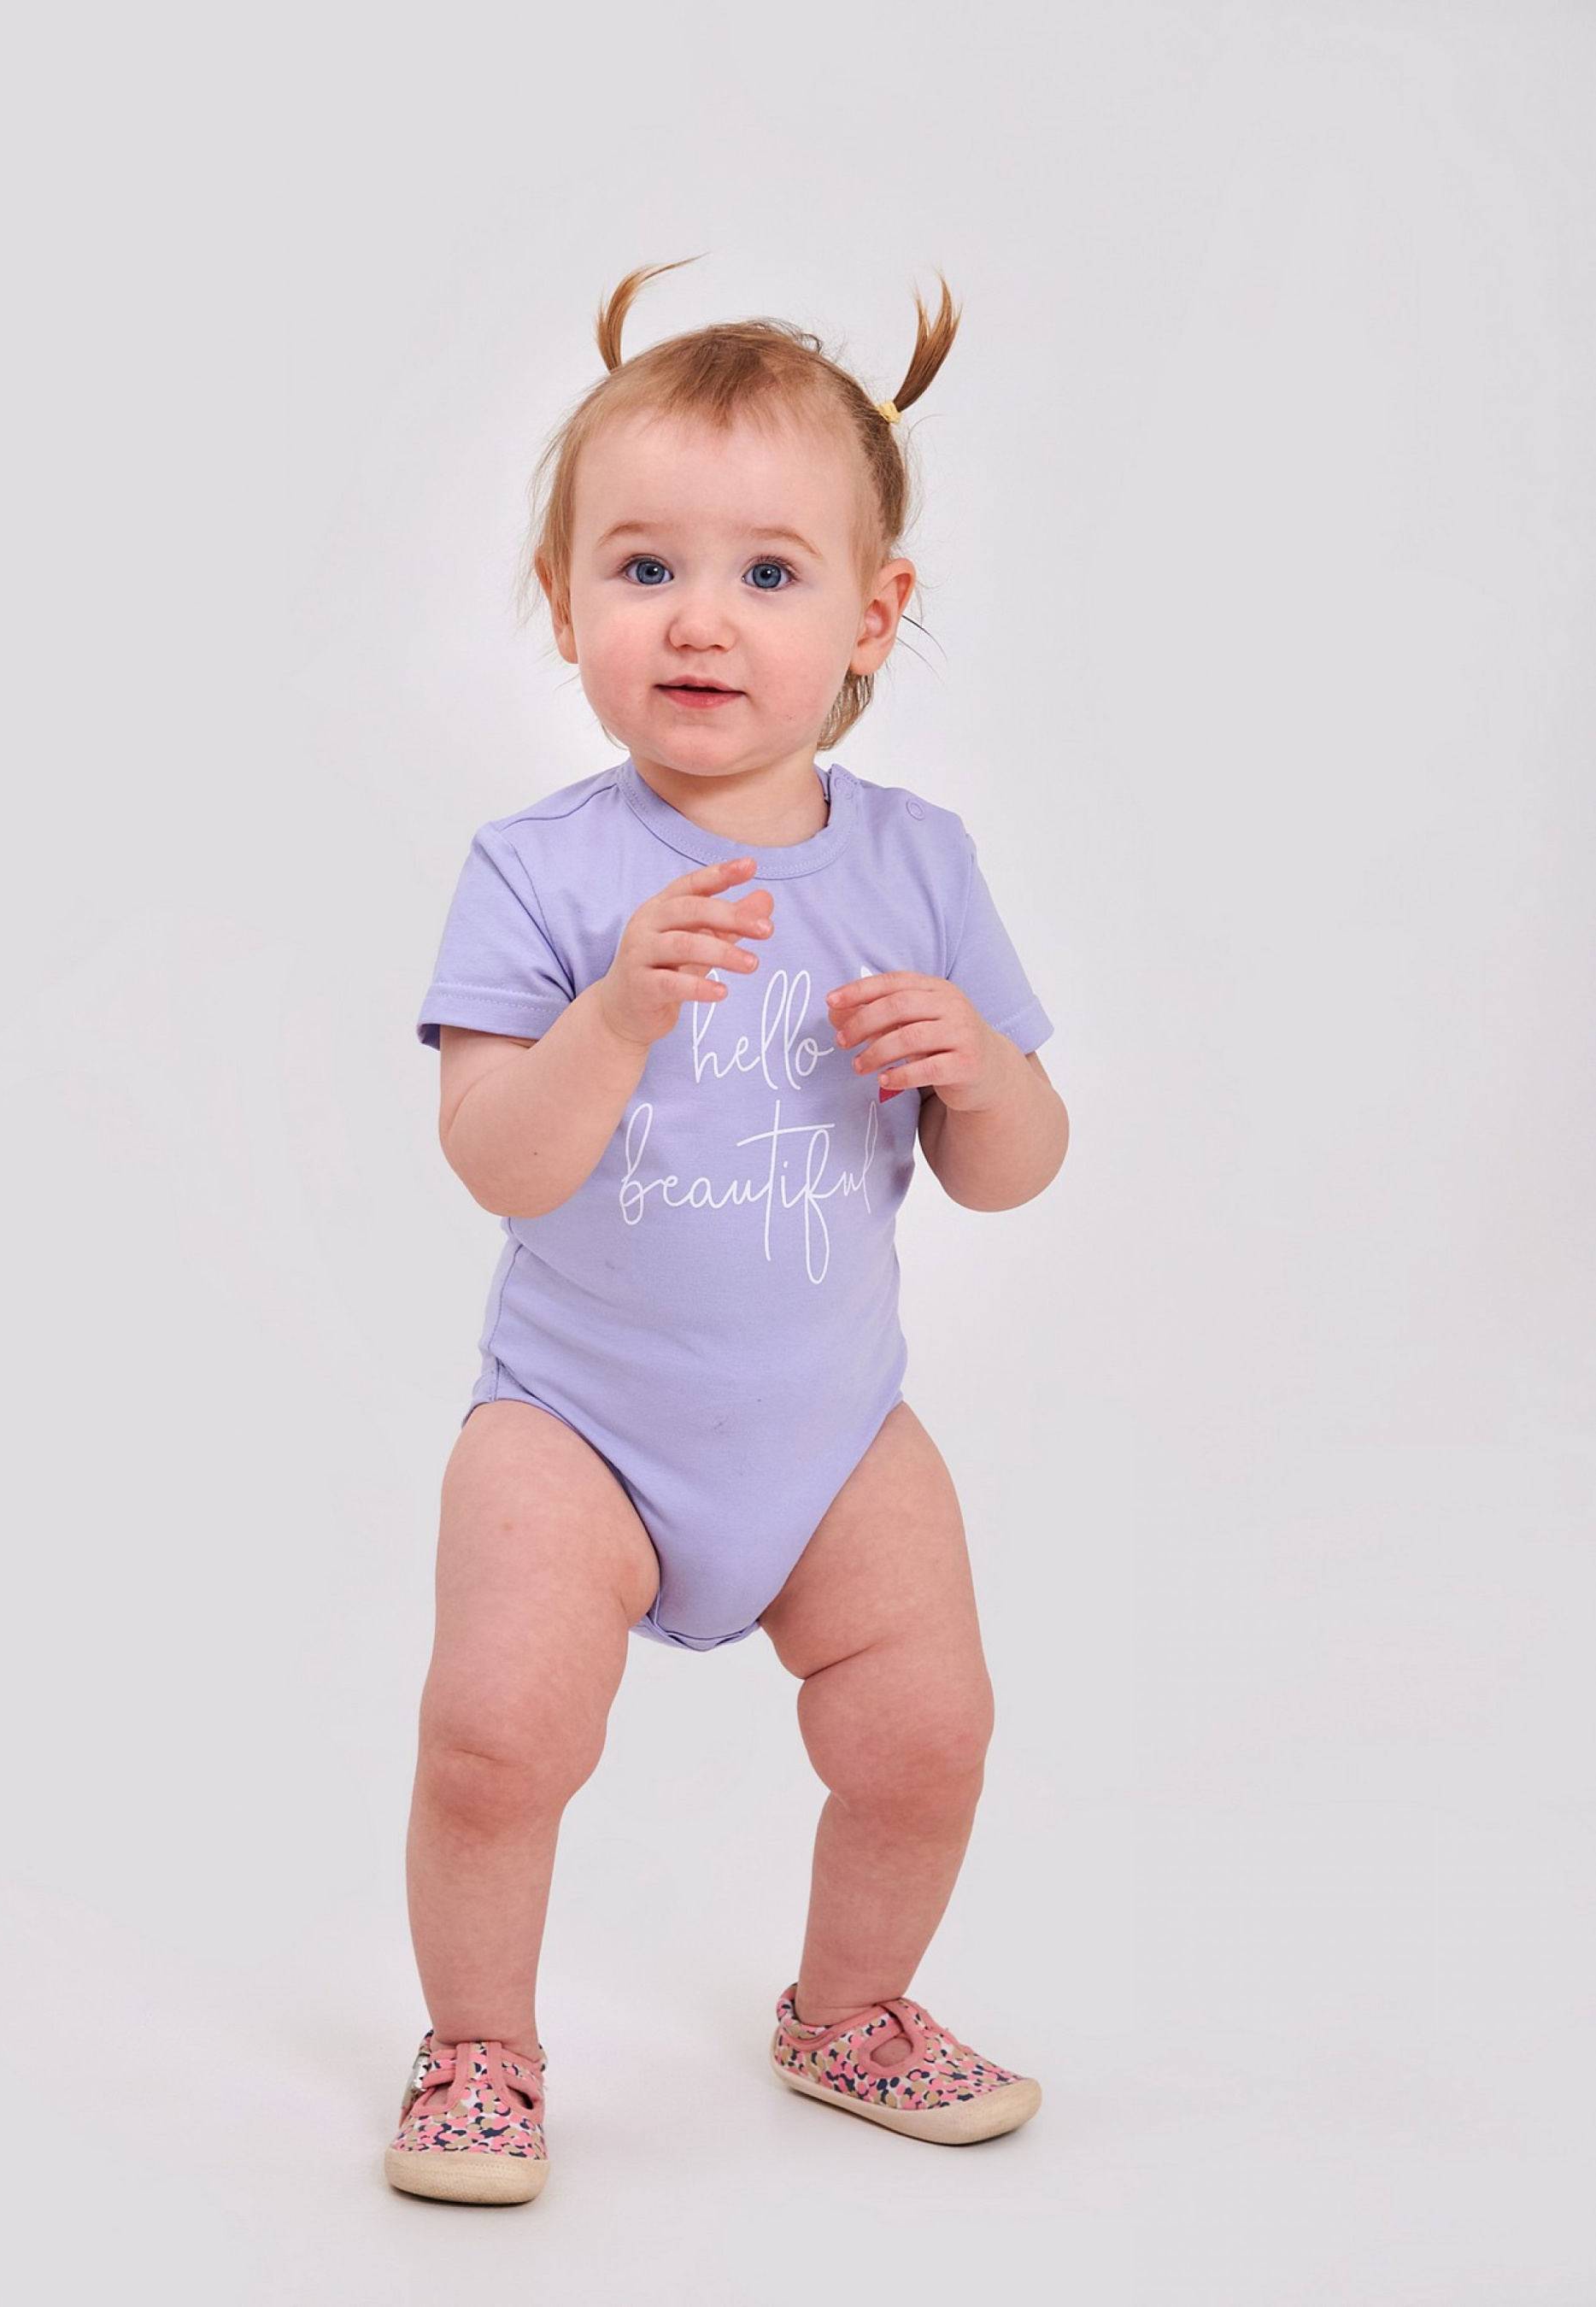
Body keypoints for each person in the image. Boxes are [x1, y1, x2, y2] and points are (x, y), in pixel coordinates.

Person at [388, 259, 1070, 2204]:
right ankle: (479, 2048)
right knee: (495, 1737)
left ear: (872, 616)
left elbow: (1012, 1168)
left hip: (829, 1427)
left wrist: (979, 1074)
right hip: (576, 1426)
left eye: (769, 572)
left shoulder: (917, 864)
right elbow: (497, 1162)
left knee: (928, 1734)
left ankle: (848, 2009)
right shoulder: (540, 873)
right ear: (561, 603)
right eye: (643, 567)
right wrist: (610, 1015)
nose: (700, 618)